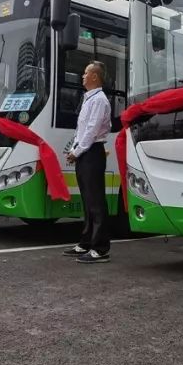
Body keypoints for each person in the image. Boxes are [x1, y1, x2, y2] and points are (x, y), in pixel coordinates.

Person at [63, 61, 113, 264]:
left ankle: (100, 248)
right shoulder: (89, 98)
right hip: (86, 152)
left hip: (92, 152)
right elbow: (81, 130)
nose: (82, 76)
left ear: (94, 77)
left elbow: (92, 130)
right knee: (87, 201)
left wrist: (76, 151)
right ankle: (86, 242)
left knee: (96, 201)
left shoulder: (99, 100)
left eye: (85, 73)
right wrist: (76, 150)